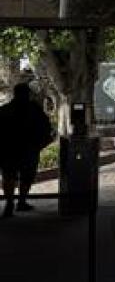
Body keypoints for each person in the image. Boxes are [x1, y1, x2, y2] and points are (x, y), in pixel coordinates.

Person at [0, 83, 55, 218]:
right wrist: (41, 143)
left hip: (9, 151)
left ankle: (10, 204)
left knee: (9, 176)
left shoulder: (5, 110)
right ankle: (21, 201)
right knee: (27, 176)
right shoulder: (34, 110)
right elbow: (45, 128)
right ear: (27, 94)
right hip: (28, 150)